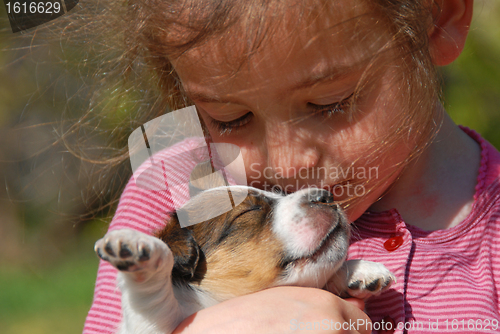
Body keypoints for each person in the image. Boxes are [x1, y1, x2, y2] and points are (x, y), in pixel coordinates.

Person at [83, 0, 500, 333]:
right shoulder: (179, 180)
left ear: (437, 17)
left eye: (329, 102)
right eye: (229, 118)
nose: (285, 164)